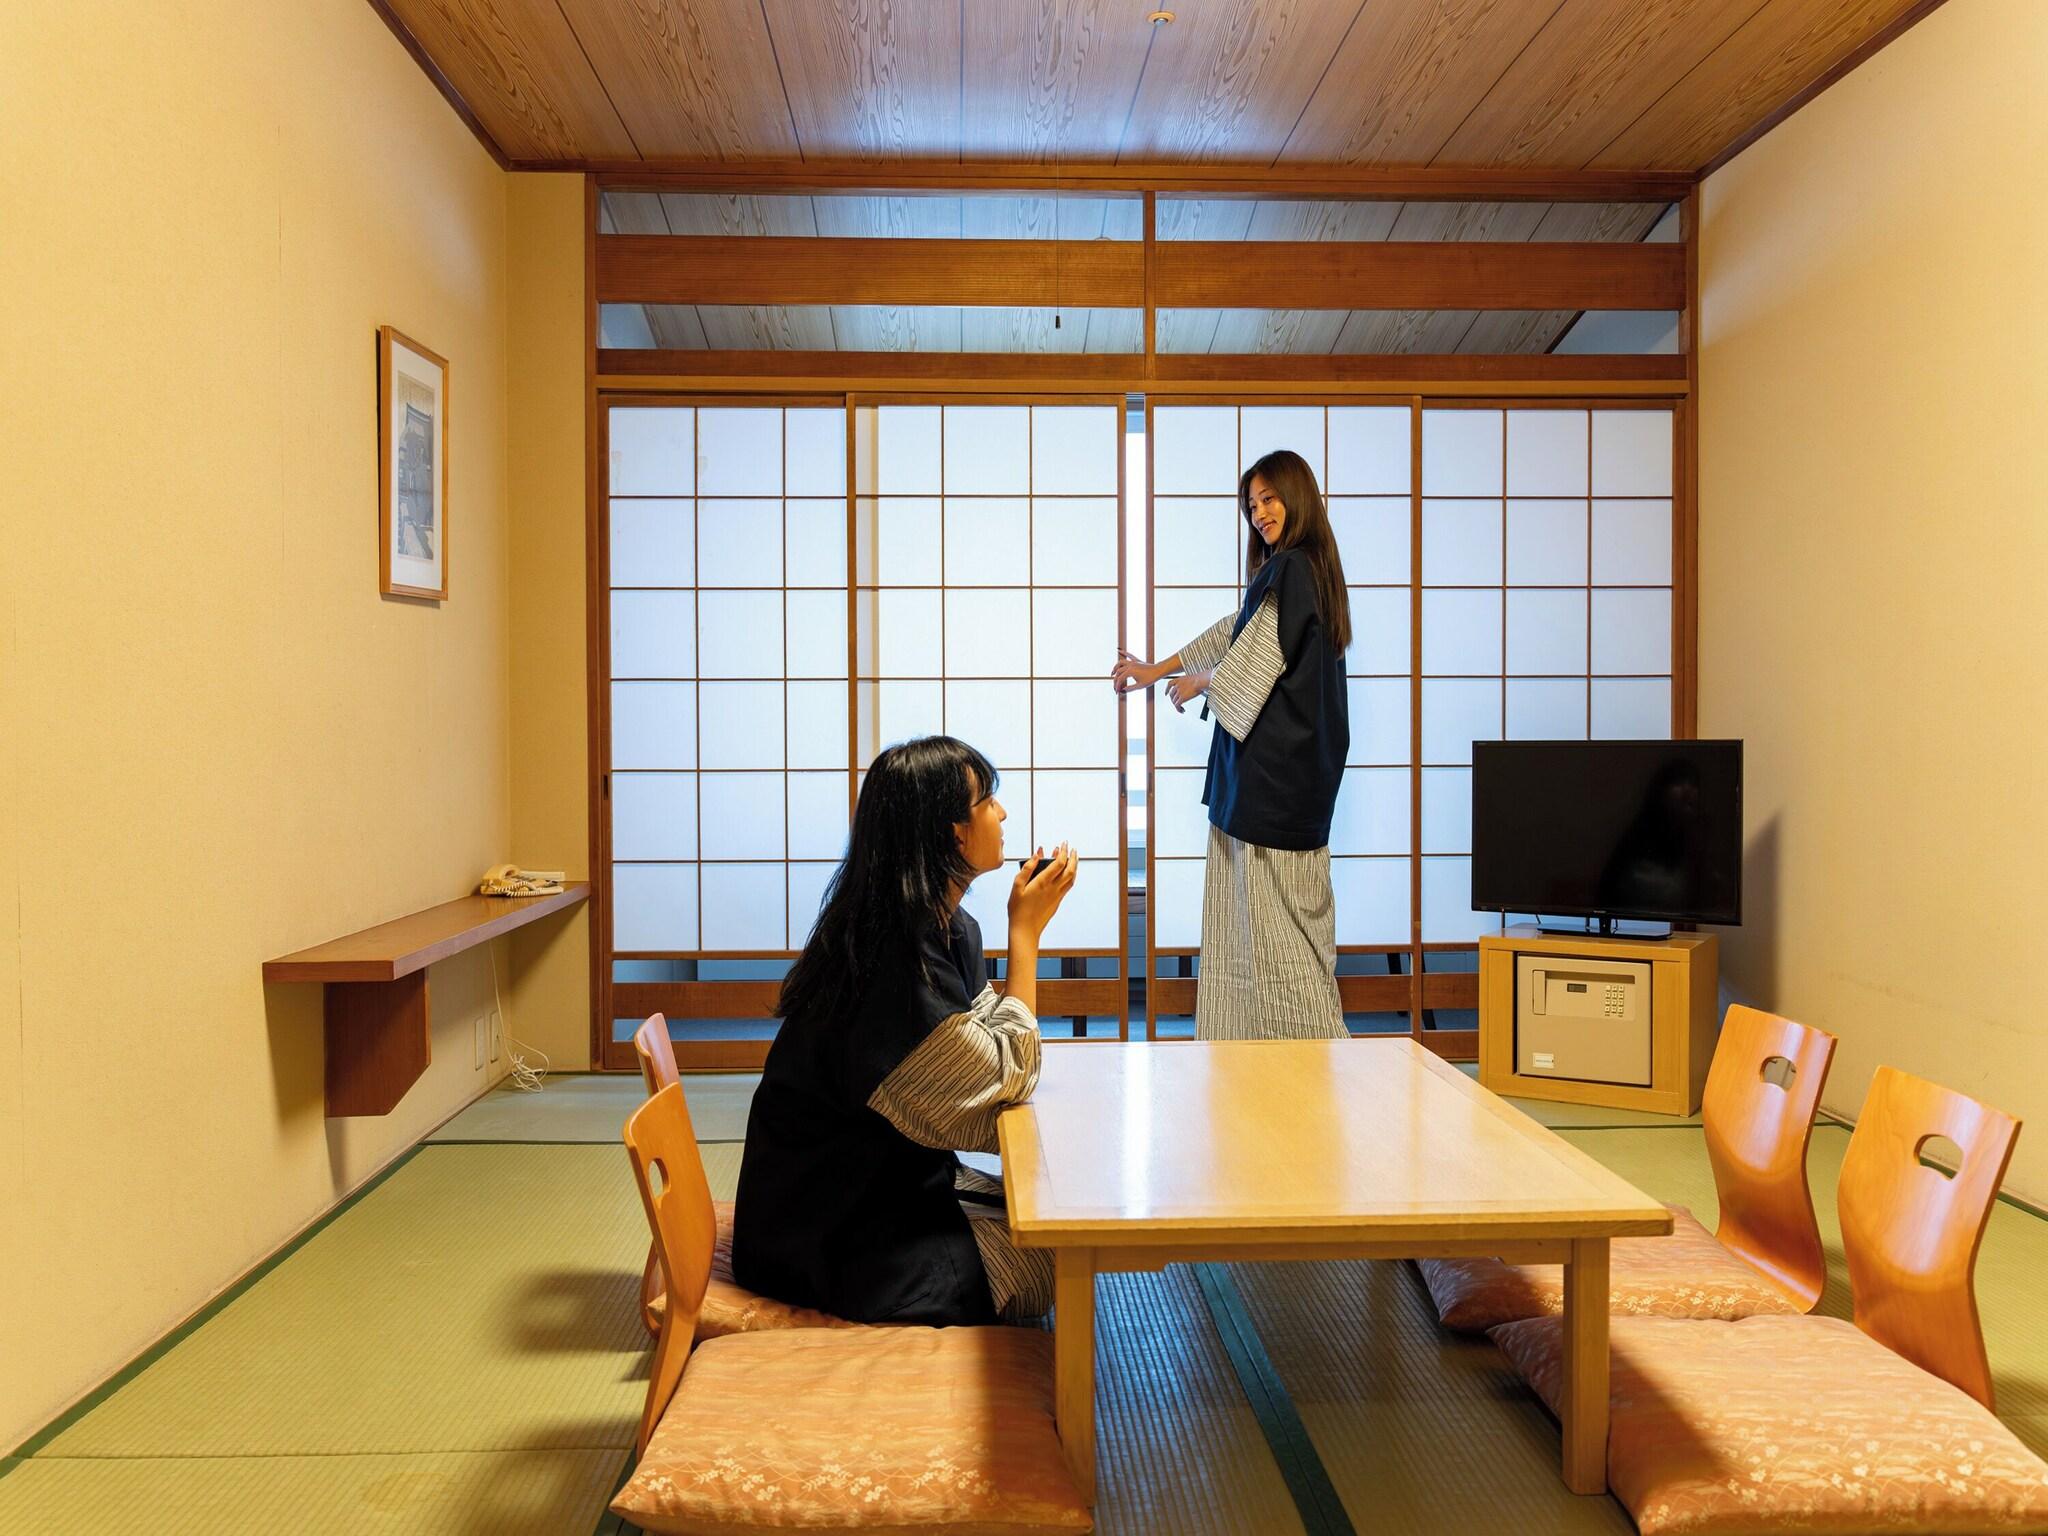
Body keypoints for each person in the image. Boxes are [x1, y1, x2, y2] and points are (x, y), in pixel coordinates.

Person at [730, 735, 1077, 1325]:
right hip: (833, 1234)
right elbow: (1005, 1076)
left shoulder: (933, 923)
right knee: (1056, 1262)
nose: (1003, 813)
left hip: (879, 1188)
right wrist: (1026, 935)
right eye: (987, 800)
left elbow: (986, 1028)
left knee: (1055, 1221)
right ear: (952, 833)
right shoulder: (891, 957)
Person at [1113, 449, 1351, 1039]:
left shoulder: (1292, 570)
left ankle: (1309, 1070)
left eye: (1270, 499)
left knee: (1280, 950)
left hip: (1269, 794)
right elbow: (1234, 630)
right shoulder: (1304, 571)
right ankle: (1250, 1074)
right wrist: (1156, 668)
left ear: (1298, 496)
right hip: (1283, 792)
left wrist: (1199, 682)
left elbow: (1253, 663)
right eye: (1253, 506)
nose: (1261, 514)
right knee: (1262, 940)